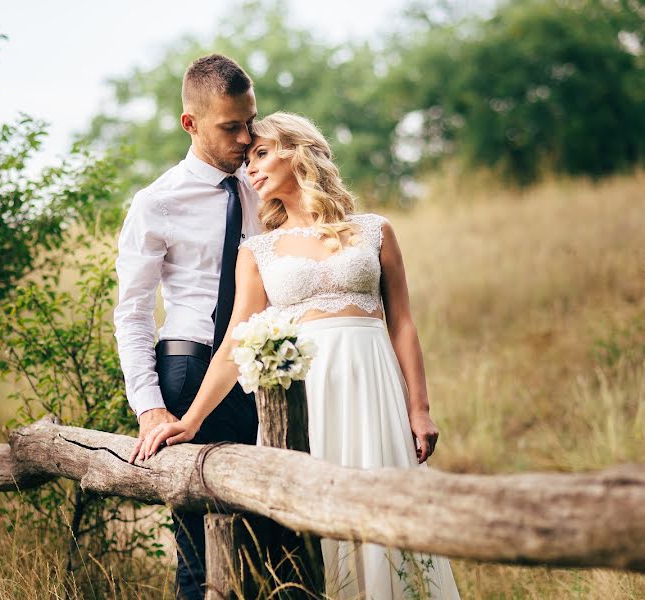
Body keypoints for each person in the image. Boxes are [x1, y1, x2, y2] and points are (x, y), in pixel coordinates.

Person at [136, 112, 462, 599]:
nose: (252, 168)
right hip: (308, 402)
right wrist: (191, 419)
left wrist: (419, 408)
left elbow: (403, 324)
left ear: (299, 150)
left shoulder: (374, 231)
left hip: (373, 390)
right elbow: (234, 342)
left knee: (385, 514)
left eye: (262, 153)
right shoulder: (259, 250)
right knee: (313, 530)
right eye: (247, 160)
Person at [114, 54, 262, 600]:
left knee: (275, 538)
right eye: (231, 127)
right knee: (200, 556)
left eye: (251, 122)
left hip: (265, 372)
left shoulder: (264, 182)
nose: (246, 138)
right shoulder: (157, 203)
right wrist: (149, 405)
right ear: (190, 123)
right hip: (190, 372)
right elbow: (131, 312)